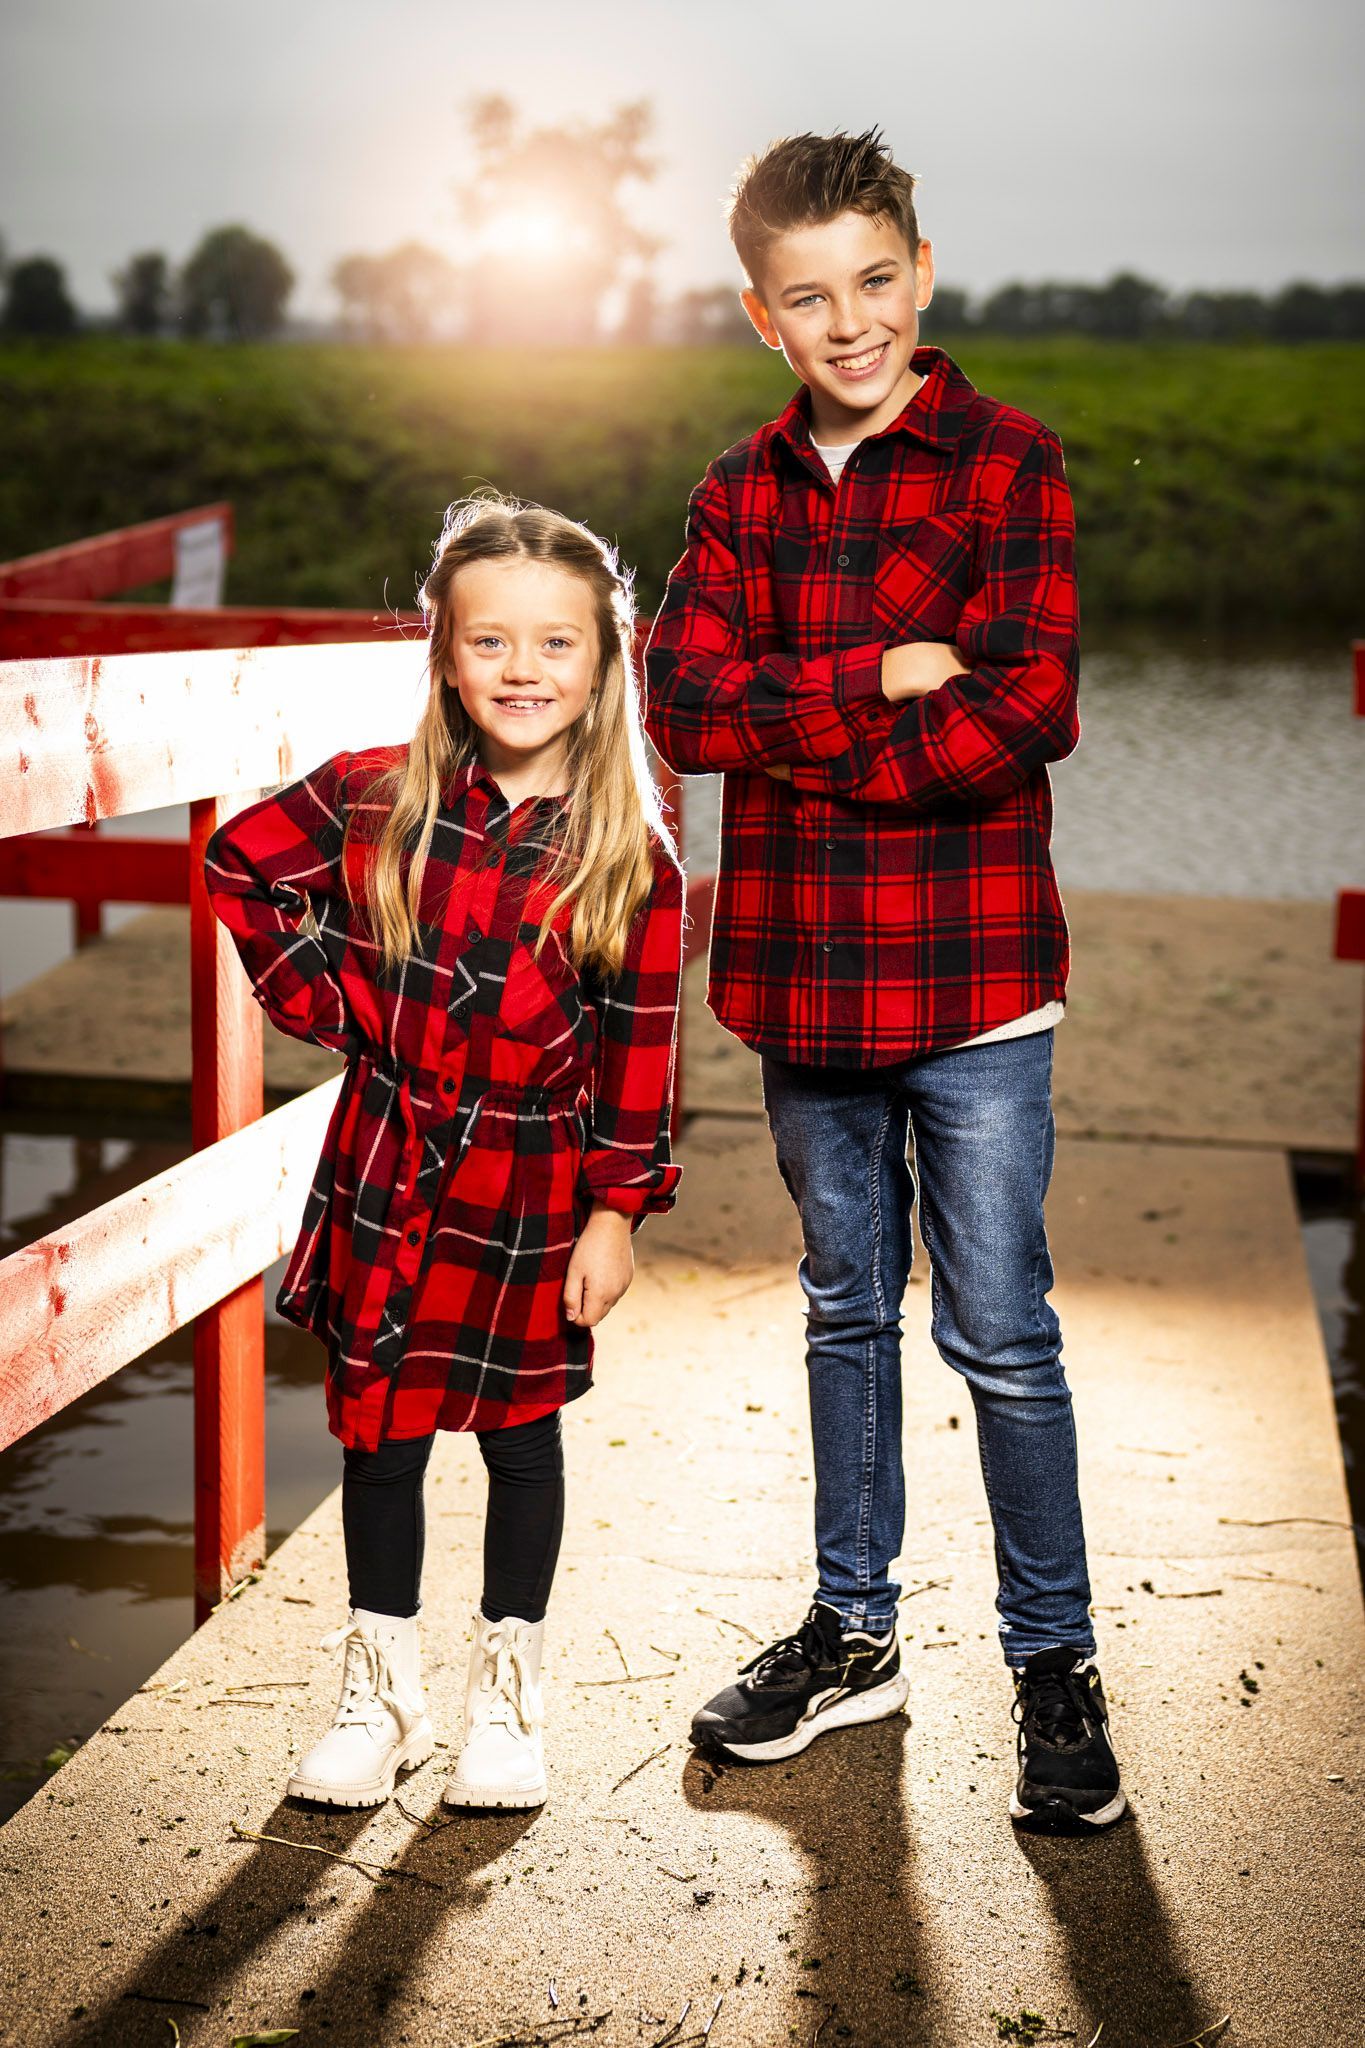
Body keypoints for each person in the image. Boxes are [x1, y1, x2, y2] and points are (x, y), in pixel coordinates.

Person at [643, 127, 1124, 1833]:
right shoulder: (736, 491)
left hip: (976, 986)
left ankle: (1052, 1661)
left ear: (918, 273)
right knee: (843, 1312)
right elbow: (680, 708)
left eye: (870, 282)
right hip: (804, 986)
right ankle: (854, 1633)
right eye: (805, 298)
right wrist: (880, 677)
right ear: (759, 315)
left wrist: (800, 730)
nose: (845, 323)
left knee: (1000, 1332)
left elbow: (1025, 711)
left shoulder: (1009, 463)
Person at [205, 494, 684, 1812]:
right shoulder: (373, 795)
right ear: (447, 656)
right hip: (389, 1153)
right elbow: (240, 865)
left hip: (532, 1182)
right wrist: (338, 1005)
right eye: (490, 641)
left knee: (522, 1441)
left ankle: (506, 1700)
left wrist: (617, 1212)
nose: (523, 669)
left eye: (556, 643)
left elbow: (641, 1056)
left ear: (603, 662)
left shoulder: (627, 855)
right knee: (382, 1432)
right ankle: (382, 1693)